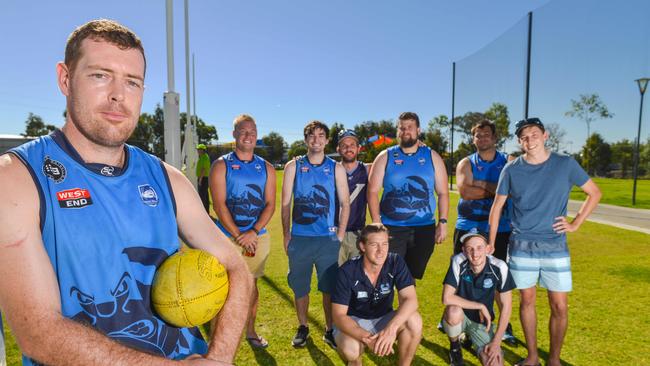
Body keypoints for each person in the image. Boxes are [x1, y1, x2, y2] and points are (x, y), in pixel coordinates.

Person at [0, 19, 252, 365]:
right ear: (65, 78)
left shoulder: (167, 179)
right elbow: (39, 333)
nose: (118, 94)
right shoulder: (17, 179)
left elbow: (236, 268)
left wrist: (219, 357)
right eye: (100, 75)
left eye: (132, 82)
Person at [488, 117, 601, 366]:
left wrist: (576, 223)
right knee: (526, 301)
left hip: (555, 247)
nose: (530, 140)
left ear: (545, 135)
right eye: (524, 136)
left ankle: (554, 360)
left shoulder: (565, 164)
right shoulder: (511, 169)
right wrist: (491, 242)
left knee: (559, 305)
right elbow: (497, 207)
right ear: (519, 141)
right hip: (521, 246)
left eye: (534, 134)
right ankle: (532, 357)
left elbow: (594, 192)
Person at [281, 121, 350, 349]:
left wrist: (340, 234)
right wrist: (285, 234)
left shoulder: (335, 167)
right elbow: (285, 204)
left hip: (327, 240)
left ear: (327, 140)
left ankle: (330, 330)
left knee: (328, 288)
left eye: (321, 136)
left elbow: (345, 203)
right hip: (300, 239)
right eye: (312, 135)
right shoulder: (294, 166)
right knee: (300, 287)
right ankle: (303, 326)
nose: (316, 140)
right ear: (305, 139)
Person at [209, 114, 276, 349]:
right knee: (222, 288)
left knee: (251, 287)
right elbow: (219, 205)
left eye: (253, 132)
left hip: (257, 237)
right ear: (234, 134)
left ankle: (250, 331)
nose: (248, 135)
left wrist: (253, 232)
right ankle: (217, 339)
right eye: (243, 131)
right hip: (226, 237)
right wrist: (240, 235)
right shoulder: (221, 165)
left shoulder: (266, 167)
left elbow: (270, 204)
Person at [454, 119, 516, 343]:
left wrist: (479, 183)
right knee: (463, 276)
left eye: (486, 135)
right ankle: (460, 322)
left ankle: (505, 325)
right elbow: (465, 192)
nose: (482, 139)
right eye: (478, 136)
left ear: (495, 138)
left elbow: (511, 191)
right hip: (468, 225)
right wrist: (496, 189)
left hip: (500, 228)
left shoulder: (509, 161)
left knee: (499, 277)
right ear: (473, 139)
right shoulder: (466, 163)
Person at [367, 112, 449, 280]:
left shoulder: (431, 156)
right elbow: (373, 191)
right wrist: (376, 221)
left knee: (410, 278)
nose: (405, 131)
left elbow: (443, 193)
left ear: (418, 130)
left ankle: (408, 307)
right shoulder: (385, 156)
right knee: (386, 276)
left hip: (424, 228)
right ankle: (386, 306)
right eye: (402, 128)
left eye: (410, 127)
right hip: (392, 228)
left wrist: (443, 222)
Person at [332, 223, 422, 366]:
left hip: (383, 318)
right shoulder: (347, 270)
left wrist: (391, 330)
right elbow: (339, 315)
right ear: (362, 246)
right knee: (351, 349)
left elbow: (411, 300)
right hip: (353, 320)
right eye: (374, 245)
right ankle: (355, 362)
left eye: (385, 244)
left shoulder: (395, 261)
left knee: (414, 320)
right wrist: (368, 338)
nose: (381, 251)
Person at [442, 230, 516, 366]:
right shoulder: (458, 261)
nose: (475, 254)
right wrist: (480, 306)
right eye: (470, 248)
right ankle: (455, 347)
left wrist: (496, 342)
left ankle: (470, 338)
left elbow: (506, 307)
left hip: (482, 322)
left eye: (479, 248)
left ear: (488, 249)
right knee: (453, 312)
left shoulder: (500, 267)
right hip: (461, 315)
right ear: (463, 250)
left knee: (495, 363)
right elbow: (446, 298)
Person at [335, 129, 371, 265]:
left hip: (358, 234)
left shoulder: (367, 170)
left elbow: (389, 163)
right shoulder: (331, 170)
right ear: (338, 149)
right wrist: (298, 159)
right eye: (344, 145)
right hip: (335, 233)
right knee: (334, 279)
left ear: (358, 148)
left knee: (356, 278)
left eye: (352, 145)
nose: (348, 148)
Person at [197, 143, 211, 213]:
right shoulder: (203, 156)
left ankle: (203, 212)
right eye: (198, 149)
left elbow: (203, 169)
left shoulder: (204, 157)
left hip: (203, 178)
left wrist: (200, 179)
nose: (198, 151)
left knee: (202, 195)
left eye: (199, 149)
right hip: (204, 178)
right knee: (206, 195)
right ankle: (206, 211)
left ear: (203, 150)